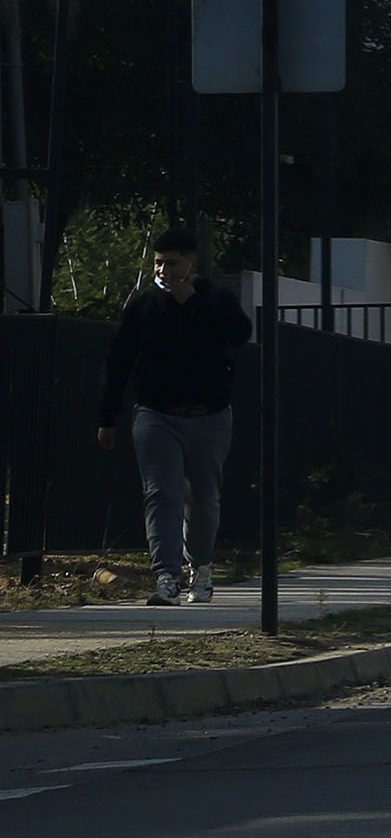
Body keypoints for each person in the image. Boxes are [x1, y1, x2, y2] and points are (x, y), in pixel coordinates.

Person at [94, 230, 253, 607]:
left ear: (191, 264)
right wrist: (107, 416)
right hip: (156, 413)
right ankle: (166, 576)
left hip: (209, 414)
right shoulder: (145, 305)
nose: (165, 270)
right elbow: (118, 361)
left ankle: (202, 568)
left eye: (173, 262)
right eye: (159, 262)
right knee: (161, 494)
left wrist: (194, 304)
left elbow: (239, 334)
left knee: (202, 498)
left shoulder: (217, 299)